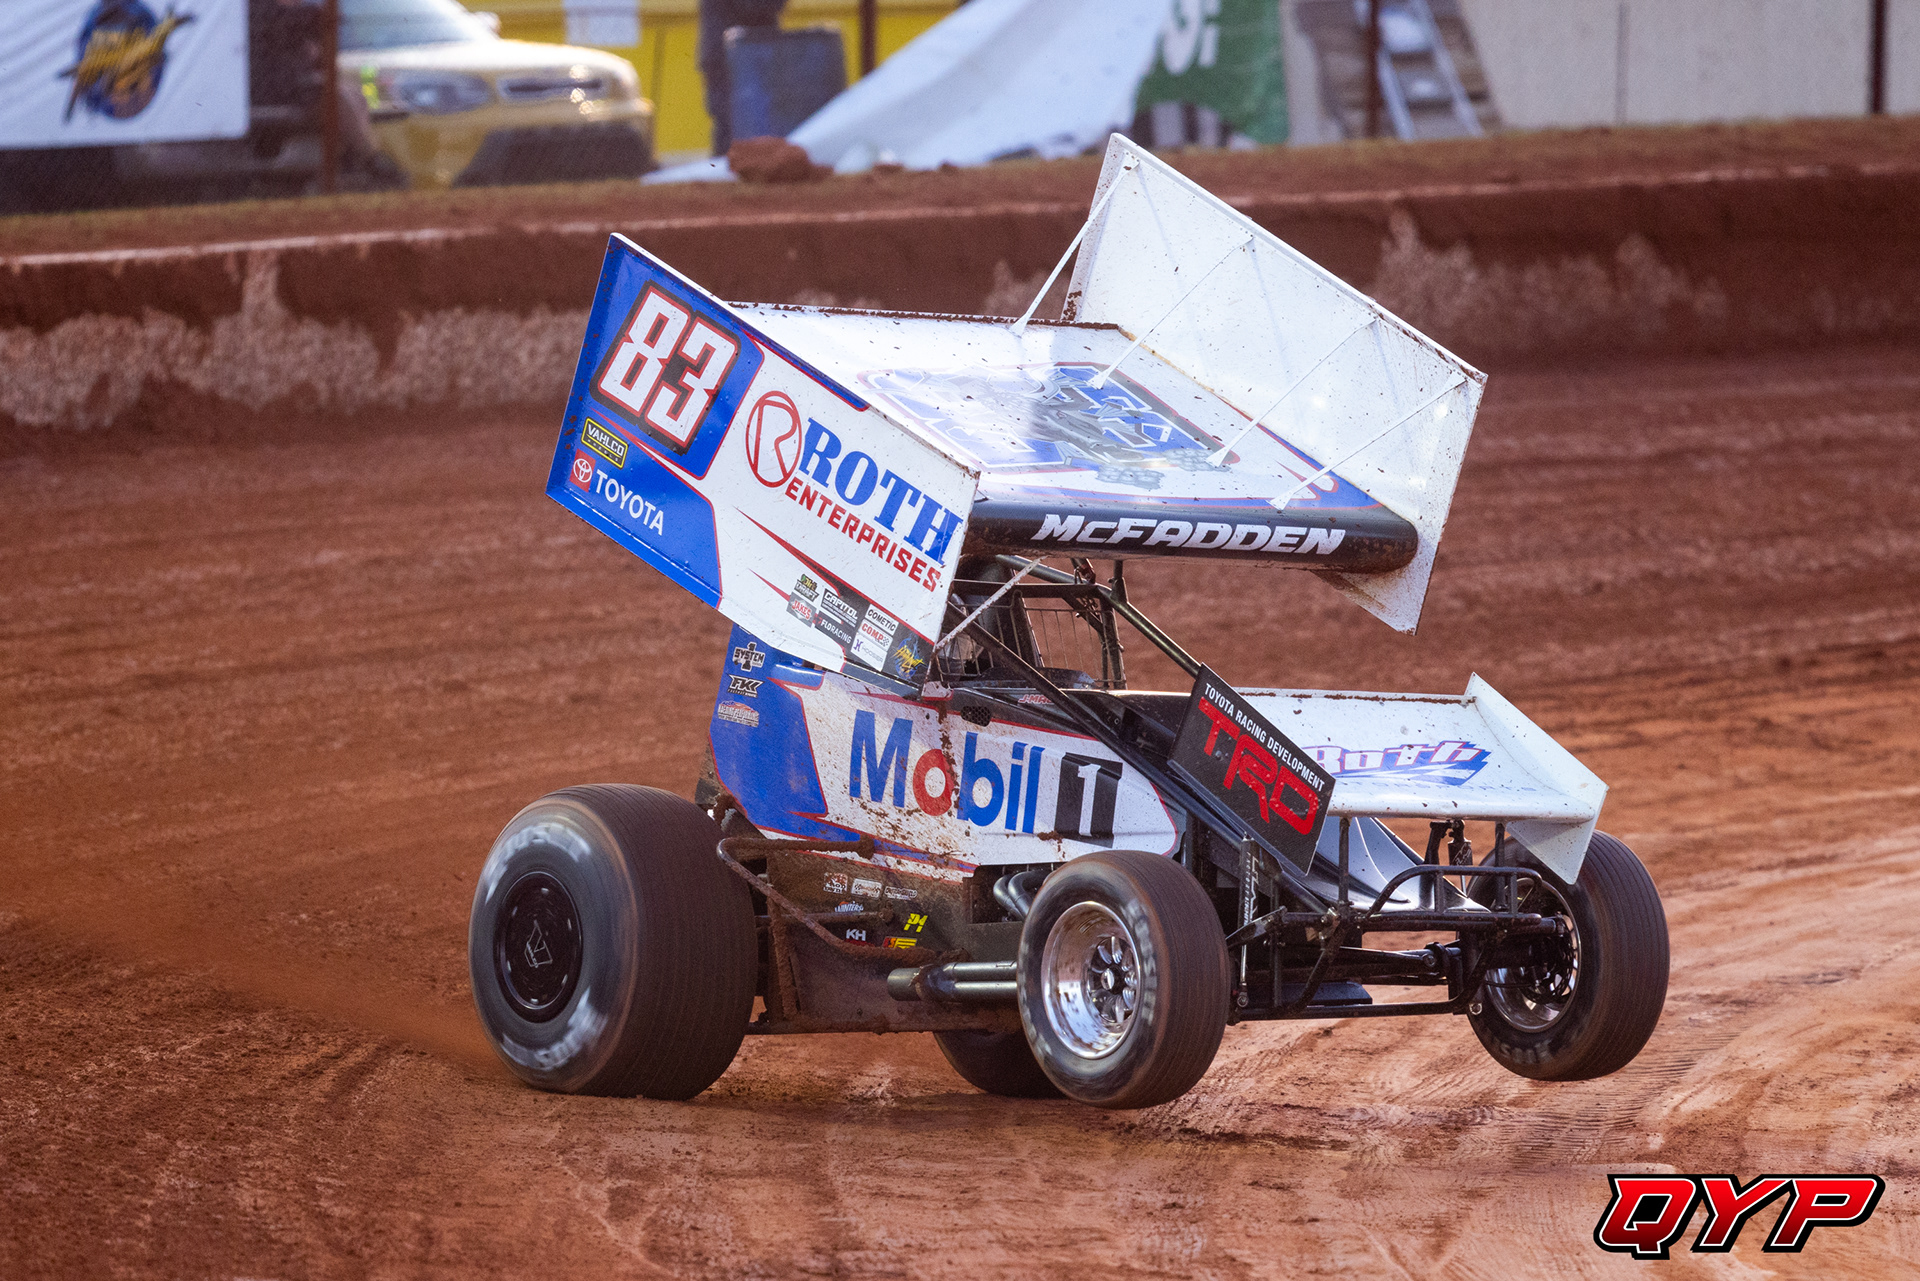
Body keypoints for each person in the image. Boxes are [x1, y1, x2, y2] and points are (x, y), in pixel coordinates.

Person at [698, 0, 786, 156]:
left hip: (734, 53)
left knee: (732, 125)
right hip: (735, 56)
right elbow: (755, 6)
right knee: (734, 126)